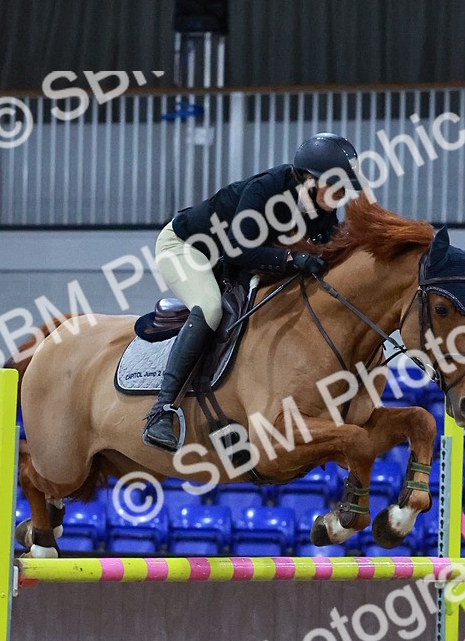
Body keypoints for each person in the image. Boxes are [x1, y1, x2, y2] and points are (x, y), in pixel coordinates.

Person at [142, 133, 362, 451]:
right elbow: (236, 249)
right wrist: (291, 258)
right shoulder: (267, 190)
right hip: (187, 248)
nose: (342, 197)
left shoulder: (321, 211)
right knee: (210, 307)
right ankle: (161, 412)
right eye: (338, 187)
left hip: (234, 264)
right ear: (311, 180)